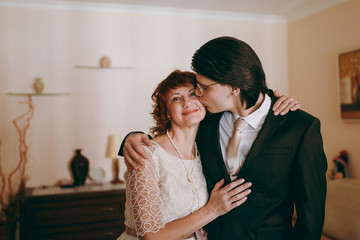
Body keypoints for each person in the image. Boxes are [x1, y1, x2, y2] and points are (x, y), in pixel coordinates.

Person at [120, 36, 327, 240]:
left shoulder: (299, 127)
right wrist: (131, 138)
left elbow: (311, 216)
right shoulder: (207, 119)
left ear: (233, 87)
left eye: (203, 88)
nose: (198, 95)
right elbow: (171, 137)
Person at [118, 70, 252, 240]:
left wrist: (278, 100)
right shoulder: (146, 154)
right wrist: (213, 209)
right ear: (166, 112)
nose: (187, 103)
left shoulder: (207, 149)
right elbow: (150, 237)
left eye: (193, 94)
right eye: (176, 98)